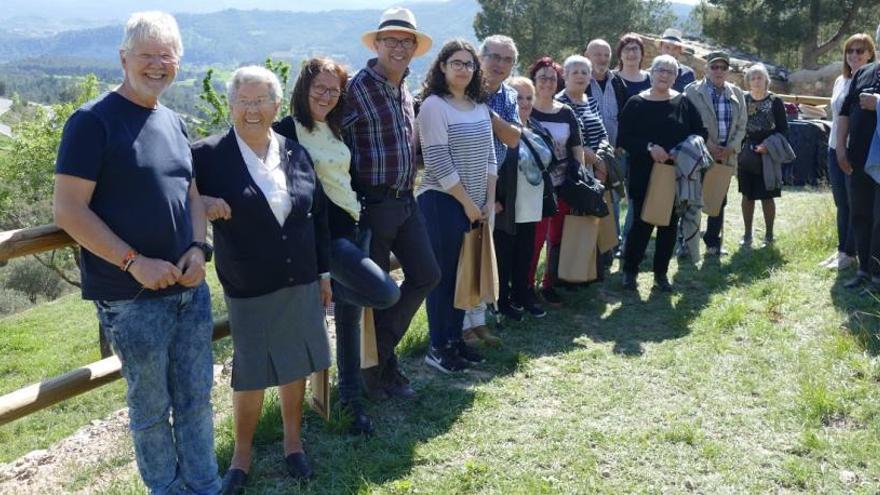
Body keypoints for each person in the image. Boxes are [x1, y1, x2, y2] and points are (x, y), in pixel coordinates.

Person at [53, 12, 220, 494]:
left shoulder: (173, 121)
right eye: (147, 55)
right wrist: (133, 262)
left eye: (166, 55)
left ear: (178, 62)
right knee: (150, 411)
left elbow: (191, 198)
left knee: (196, 399)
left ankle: (204, 486)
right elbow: (68, 210)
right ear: (123, 58)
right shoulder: (91, 122)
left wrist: (197, 247)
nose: (157, 64)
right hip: (129, 298)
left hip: (189, 291)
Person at [193, 66, 332, 492]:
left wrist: (324, 273)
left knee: (294, 366)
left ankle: (294, 444)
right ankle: (241, 456)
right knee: (250, 372)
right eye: (244, 101)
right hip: (249, 283)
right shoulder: (207, 154)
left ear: (276, 105)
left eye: (261, 101)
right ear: (231, 105)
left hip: (301, 277)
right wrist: (203, 200)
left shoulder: (295, 152)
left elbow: (318, 218)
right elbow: (175, 197)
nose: (252, 110)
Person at [273, 57, 401, 437]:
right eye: (319, 89)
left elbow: (344, 176)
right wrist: (318, 269)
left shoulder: (334, 127)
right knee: (385, 292)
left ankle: (350, 403)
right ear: (303, 89)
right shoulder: (285, 132)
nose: (327, 96)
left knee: (349, 321)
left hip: (355, 227)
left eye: (334, 90)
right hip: (327, 239)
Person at [343, 7, 441, 398]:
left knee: (427, 274)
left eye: (406, 41)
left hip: (406, 200)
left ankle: (378, 359)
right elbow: (330, 138)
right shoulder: (356, 88)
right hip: (371, 204)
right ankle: (379, 373)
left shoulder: (404, 88)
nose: (398, 47)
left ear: (415, 49)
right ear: (377, 44)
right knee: (379, 291)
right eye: (391, 41)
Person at [416, 39, 497, 373]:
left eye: (469, 64)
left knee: (464, 276)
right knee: (444, 278)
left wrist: (489, 200)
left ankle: (455, 341)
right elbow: (436, 159)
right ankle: (438, 348)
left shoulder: (479, 105)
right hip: (442, 202)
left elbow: (491, 155)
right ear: (443, 67)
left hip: (475, 205)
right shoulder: (434, 105)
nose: (464, 69)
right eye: (456, 63)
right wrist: (466, 202)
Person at [618, 55, 706, 292]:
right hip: (643, 172)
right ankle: (630, 271)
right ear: (651, 73)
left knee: (669, 225)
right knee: (640, 223)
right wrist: (648, 147)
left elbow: (700, 133)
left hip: (674, 174)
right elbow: (623, 138)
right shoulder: (636, 103)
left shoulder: (684, 103)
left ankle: (660, 274)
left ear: (676, 77)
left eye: (670, 72)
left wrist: (682, 151)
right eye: (660, 70)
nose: (664, 75)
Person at [458, 34, 523, 340]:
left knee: (484, 251)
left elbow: (512, 139)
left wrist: (488, 113)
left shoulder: (508, 96)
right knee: (461, 255)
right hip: (459, 181)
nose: (499, 64)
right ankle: (459, 325)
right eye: (494, 56)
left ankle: (477, 320)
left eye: (507, 59)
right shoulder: (461, 89)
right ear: (480, 57)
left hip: (490, 182)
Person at [527, 56, 585, 305]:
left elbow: (577, 148)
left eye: (552, 78)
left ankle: (549, 284)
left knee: (557, 237)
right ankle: (527, 286)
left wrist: (579, 175)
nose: (548, 83)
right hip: (533, 187)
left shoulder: (566, 112)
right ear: (534, 81)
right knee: (535, 240)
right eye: (543, 78)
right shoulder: (525, 110)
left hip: (562, 185)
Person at [496, 76, 552, 320]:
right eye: (519, 97)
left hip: (532, 205)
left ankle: (522, 294)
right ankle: (501, 300)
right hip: (506, 206)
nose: (525, 102)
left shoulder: (538, 128)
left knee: (525, 254)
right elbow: (493, 166)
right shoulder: (500, 130)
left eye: (529, 97)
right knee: (504, 255)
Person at [683, 50, 748, 256]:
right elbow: (686, 123)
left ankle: (713, 242)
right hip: (699, 153)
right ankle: (686, 243)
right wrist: (707, 143)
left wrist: (732, 146)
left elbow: (742, 125)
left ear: (728, 71)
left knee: (719, 199)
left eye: (723, 67)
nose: (718, 71)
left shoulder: (737, 93)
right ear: (706, 68)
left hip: (726, 155)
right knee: (691, 198)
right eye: (714, 67)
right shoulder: (691, 91)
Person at [821, 34, 875, 270]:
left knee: (856, 205)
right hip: (834, 147)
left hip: (858, 151)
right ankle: (843, 249)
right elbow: (836, 114)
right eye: (850, 51)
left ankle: (852, 254)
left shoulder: (870, 79)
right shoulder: (840, 81)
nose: (854, 55)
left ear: (870, 54)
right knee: (841, 203)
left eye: (860, 51)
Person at [836, 24, 880, 292]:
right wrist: (841, 148)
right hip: (858, 158)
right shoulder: (864, 71)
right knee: (861, 213)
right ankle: (864, 269)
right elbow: (844, 112)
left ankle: (878, 274)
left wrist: (878, 103)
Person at [739, 63, 789, 248]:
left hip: (769, 153)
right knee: (747, 196)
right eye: (752, 78)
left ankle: (769, 235)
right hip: (747, 154)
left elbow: (784, 129)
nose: (756, 81)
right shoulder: (743, 100)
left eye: (759, 77)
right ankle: (747, 235)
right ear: (748, 81)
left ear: (766, 80)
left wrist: (768, 146)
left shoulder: (775, 101)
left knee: (768, 196)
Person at [586, 39, 629, 248]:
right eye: (597, 54)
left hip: (613, 153)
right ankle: (591, 244)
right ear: (587, 56)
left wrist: (621, 144)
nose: (602, 59)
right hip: (586, 153)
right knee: (591, 198)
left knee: (612, 199)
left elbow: (625, 115)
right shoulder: (580, 79)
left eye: (606, 55)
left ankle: (612, 243)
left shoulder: (618, 82)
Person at [614, 33, 652, 102]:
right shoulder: (612, 79)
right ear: (620, 55)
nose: (631, 53)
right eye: (627, 49)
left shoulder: (651, 79)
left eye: (635, 49)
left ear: (642, 54)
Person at [659, 28, 696, 92]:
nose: (670, 52)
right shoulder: (651, 72)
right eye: (667, 47)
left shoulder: (687, 74)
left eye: (675, 48)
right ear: (661, 48)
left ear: (680, 50)